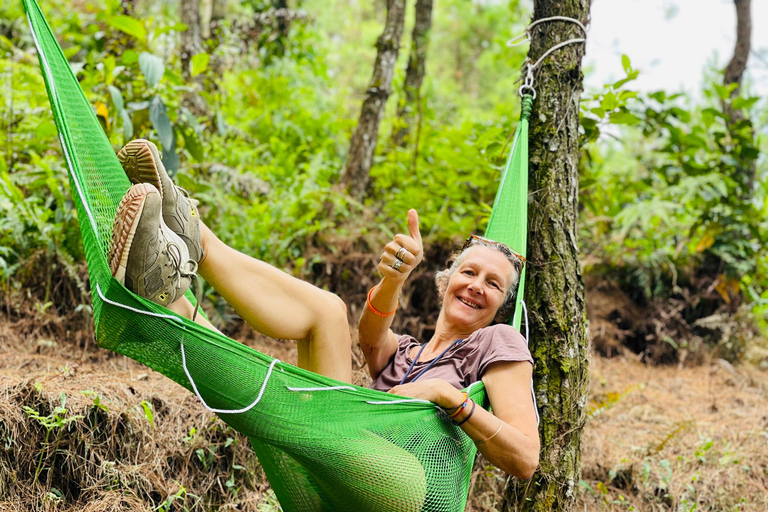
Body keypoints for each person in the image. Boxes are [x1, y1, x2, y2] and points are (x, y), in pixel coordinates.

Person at [109, 139, 540, 480]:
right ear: (446, 282)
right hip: (341, 458)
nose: (477, 286)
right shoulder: (409, 354)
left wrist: (447, 397)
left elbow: (525, 459)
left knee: (302, 368)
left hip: (401, 480)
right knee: (330, 311)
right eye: (470, 272)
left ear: (503, 304)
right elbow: (371, 338)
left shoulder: (497, 340)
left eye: (493, 283)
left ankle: (191, 243)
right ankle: (170, 271)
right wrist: (393, 278)